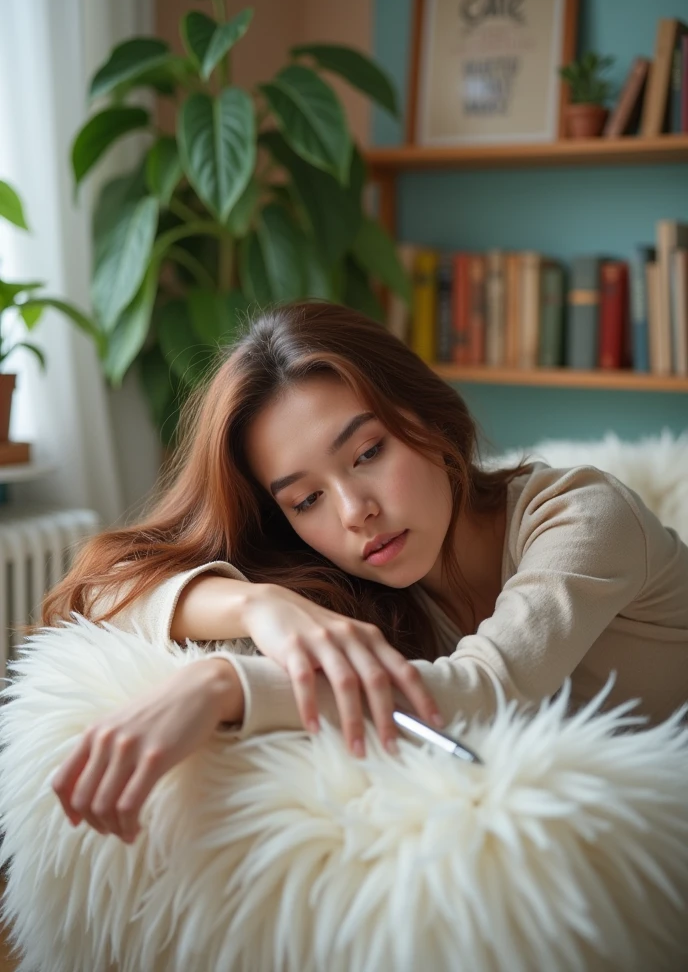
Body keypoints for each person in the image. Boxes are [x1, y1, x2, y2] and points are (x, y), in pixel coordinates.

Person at [43, 300, 688, 846]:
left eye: (369, 452)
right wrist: (260, 607)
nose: (356, 513)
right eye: (306, 500)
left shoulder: (584, 517)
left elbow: (482, 691)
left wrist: (221, 686)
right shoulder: (366, 588)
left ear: (428, 420)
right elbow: (107, 590)